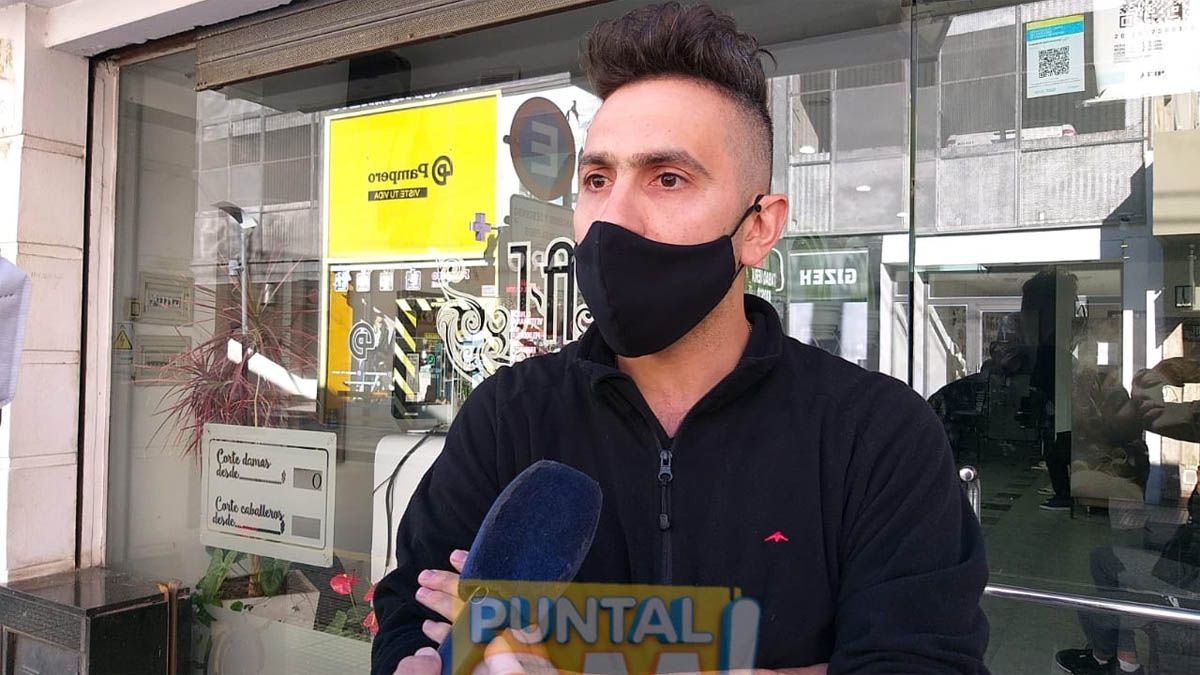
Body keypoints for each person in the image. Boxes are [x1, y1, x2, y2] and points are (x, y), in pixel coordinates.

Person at [370, 4, 990, 674]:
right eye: (597, 179)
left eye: (668, 178)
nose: (614, 218)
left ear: (759, 227)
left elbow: (924, 660)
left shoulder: (876, 438)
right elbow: (415, 615)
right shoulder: (507, 418)